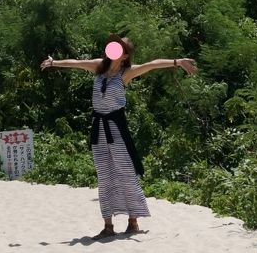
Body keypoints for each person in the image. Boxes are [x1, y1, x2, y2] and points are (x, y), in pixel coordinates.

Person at [40, 35, 198, 239]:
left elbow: (152, 64)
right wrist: (54, 63)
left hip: (116, 128)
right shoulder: (99, 66)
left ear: (124, 56)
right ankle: (108, 226)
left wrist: (178, 62)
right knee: (104, 176)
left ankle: (133, 221)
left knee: (126, 172)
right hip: (98, 128)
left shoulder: (126, 72)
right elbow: (76, 63)